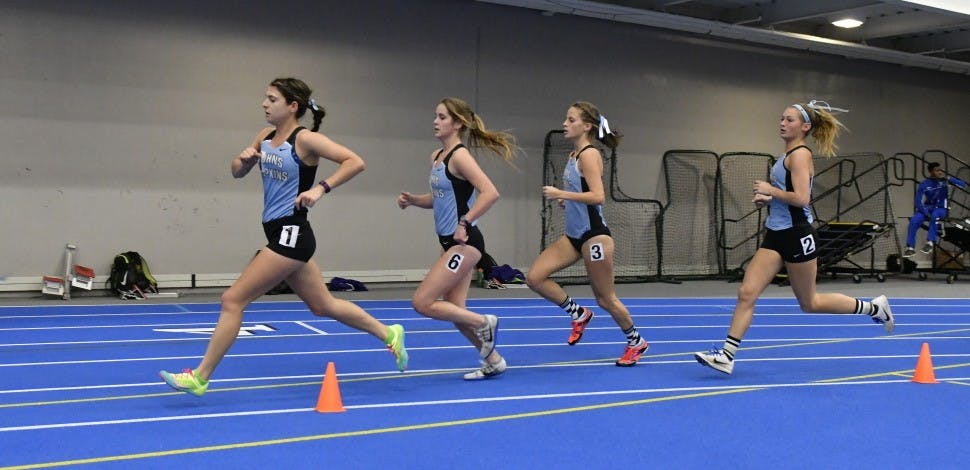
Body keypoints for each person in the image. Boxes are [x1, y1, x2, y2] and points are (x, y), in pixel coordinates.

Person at [160, 78, 408, 396]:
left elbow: (355, 161)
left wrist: (320, 188)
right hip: (279, 231)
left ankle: (200, 376)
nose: (264, 104)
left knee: (232, 300)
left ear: (292, 106)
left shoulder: (305, 140)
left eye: (272, 99)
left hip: (293, 232)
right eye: (265, 97)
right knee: (323, 306)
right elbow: (236, 171)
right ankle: (389, 333)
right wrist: (245, 161)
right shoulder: (264, 136)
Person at [694, 100, 895, 375]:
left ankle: (873, 308)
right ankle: (727, 355)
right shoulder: (784, 156)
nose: (782, 123)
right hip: (776, 234)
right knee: (746, 293)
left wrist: (770, 190)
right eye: (781, 118)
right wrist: (767, 199)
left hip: (797, 234)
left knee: (809, 303)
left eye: (789, 120)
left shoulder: (800, 155)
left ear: (805, 127)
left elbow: (802, 199)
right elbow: (787, 195)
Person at [397, 97, 516, 380]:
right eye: (435, 116)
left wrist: (466, 221)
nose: (435, 122)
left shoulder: (460, 156)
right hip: (449, 244)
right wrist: (415, 200)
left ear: (458, 124)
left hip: (466, 244)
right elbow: (440, 200)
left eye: (442, 117)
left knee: (423, 302)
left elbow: (490, 192)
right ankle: (493, 360)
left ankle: (484, 322)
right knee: (454, 310)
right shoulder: (437, 157)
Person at [524, 101, 649, 367]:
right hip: (574, 236)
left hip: (594, 238)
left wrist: (561, 194)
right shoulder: (573, 155)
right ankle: (578, 313)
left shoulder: (590, 154)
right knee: (534, 277)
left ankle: (636, 342)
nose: (564, 124)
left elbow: (599, 197)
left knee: (605, 298)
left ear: (587, 126)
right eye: (565, 119)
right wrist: (567, 201)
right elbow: (582, 194)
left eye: (571, 120)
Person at [903, 161, 967, 257]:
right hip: (927, 208)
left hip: (941, 209)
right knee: (914, 220)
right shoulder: (925, 183)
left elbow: (963, 185)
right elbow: (918, 201)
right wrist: (925, 212)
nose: (940, 172)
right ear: (931, 172)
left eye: (940, 170)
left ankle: (929, 243)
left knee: (935, 215)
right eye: (937, 170)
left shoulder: (945, 181)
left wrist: (948, 177)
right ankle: (910, 248)